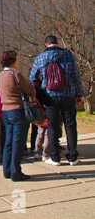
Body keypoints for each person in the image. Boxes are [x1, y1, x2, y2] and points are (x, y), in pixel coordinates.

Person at [29, 35, 84, 166]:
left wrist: (40, 91)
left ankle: (55, 157)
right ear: (57, 43)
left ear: (46, 44)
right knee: (70, 125)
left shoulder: (40, 57)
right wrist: (79, 94)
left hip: (49, 96)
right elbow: (75, 75)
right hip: (68, 94)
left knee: (52, 126)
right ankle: (72, 157)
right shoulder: (68, 55)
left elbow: (32, 78)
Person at [0, 51, 36, 181]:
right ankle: (16, 172)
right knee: (18, 142)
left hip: (5, 112)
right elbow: (29, 89)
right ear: (12, 60)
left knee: (8, 141)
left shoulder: (1, 75)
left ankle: (7, 170)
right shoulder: (15, 74)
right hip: (17, 111)